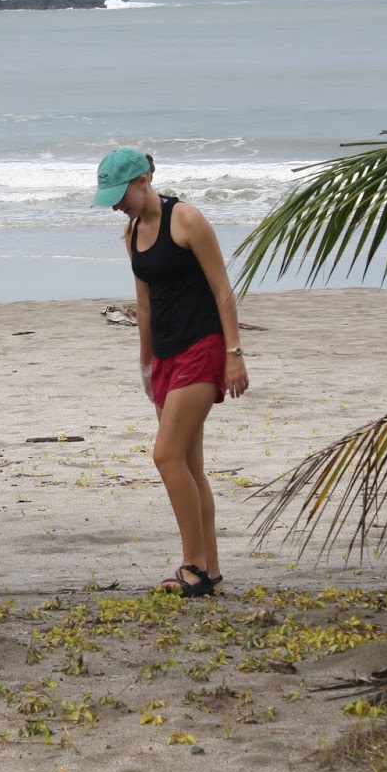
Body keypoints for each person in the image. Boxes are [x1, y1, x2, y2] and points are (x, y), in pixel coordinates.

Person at [92, 146, 250, 597]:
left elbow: (222, 290)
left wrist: (234, 353)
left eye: (120, 194)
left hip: (202, 349)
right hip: (165, 357)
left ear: (142, 181)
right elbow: (143, 305)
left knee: (165, 456)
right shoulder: (132, 233)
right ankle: (211, 569)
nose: (117, 205)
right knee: (189, 465)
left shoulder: (186, 220)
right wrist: (146, 364)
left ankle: (193, 565)